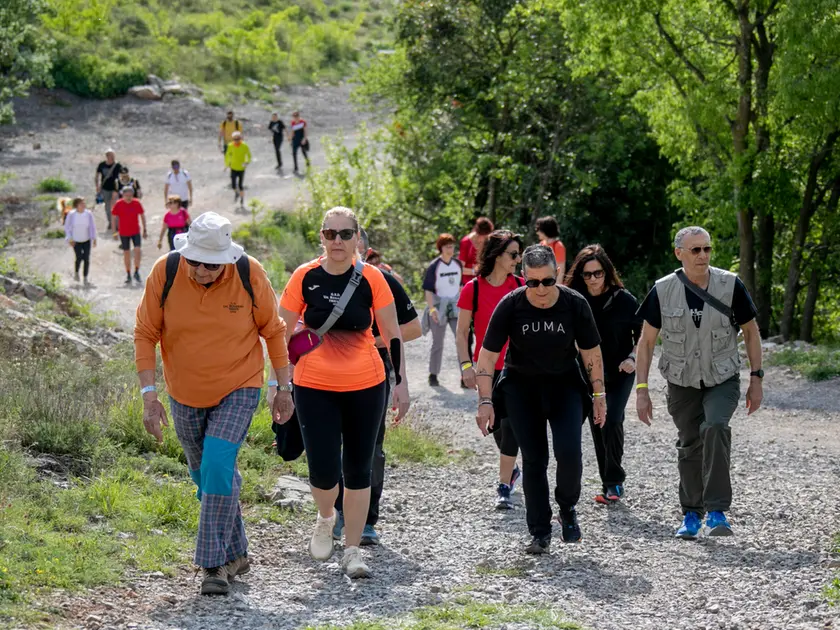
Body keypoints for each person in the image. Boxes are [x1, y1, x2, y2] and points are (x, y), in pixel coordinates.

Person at [135, 211, 294, 596]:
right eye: (195, 261)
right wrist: (149, 395)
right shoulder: (166, 271)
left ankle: (213, 564)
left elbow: (273, 331)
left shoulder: (248, 273)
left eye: (210, 264)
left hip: (238, 386)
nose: (201, 270)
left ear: (225, 259)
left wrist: (283, 386)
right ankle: (238, 552)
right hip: (184, 392)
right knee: (206, 475)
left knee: (218, 464)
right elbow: (145, 332)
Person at [276, 206, 410, 579]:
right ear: (321, 236)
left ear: (357, 238)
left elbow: (392, 333)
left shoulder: (373, 279)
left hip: (366, 386)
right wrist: (278, 384)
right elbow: (280, 332)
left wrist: (400, 383)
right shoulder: (305, 276)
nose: (338, 241)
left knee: (358, 470)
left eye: (345, 234)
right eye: (330, 234)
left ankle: (352, 551)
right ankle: (324, 516)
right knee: (322, 472)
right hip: (313, 385)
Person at [476, 245, 605, 555]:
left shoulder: (574, 304)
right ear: (524, 279)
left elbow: (591, 352)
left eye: (547, 281)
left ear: (556, 275)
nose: (541, 289)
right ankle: (539, 532)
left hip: (565, 387)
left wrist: (599, 393)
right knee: (535, 460)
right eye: (533, 283)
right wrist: (485, 401)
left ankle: (567, 507)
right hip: (522, 388)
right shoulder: (511, 305)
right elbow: (487, 355)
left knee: (570, 453)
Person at [635, 226, 763, 539]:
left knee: (716, 427)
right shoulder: (662, 290)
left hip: (722, 377)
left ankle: (717, 511)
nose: (702, 255)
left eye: (706, 249)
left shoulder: (730, 285)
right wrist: (642, 391)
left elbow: (751, 332)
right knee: (690, 443)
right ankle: (691, 515)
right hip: (681, 381)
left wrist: (756, 378)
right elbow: (647, 342)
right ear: (679, 253)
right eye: (695, 250)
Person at [330, 227, 421, 546]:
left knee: (370, 446)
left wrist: (400, 380)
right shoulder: (318, 277)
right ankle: (335, 512)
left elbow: (411, 329)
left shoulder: (384, 281)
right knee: (331, 443)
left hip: (374, 371)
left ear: (365, 252)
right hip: (326, 372)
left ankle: (365, 519)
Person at [565, 245, 641, 504]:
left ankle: (614, 481)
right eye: (587, 275)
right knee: (597, 423)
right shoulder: (573, 300)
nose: (593, 279)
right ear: (580, 277)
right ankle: (608, 481)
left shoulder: (625, 301)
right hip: (585, 373)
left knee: (612, 419)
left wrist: (633, 357)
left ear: (607, 273)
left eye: (598, 273)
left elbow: (645, 336)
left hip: (620, 372)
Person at [456, 230, 524, 510]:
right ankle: (512, 471)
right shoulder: (472, 289)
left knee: (511, 428)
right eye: (513, 254)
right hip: (485, 370)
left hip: (517, 369)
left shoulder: (521, 285)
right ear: (497, 256)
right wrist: (465, 366)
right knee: (495, 425)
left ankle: (503, 486)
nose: (518, 260)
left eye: (519, 254)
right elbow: (461, 333)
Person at [423, 233, 463, 387]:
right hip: (439, 306)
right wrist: (432, 309)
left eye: (452, 246)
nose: (450, 249)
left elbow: (460, 286)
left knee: (461, 341)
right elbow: (428, 290)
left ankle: (464, 376)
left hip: (455, 306)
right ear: (441, 248)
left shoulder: (457, 264)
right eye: (447, 246)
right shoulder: (434, 266)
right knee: (438, 343)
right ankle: (433, 375)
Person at [111, 186, 147, 284]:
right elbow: (113, 218)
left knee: (137, 250)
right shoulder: (119, 204)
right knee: (126, 253)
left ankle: (136, 271)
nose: (128, 197)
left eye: (130, 195)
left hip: (135, 231)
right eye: (126, 195)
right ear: (123, 195)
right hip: (124, 232)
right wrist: (114, 231)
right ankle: (128, 273)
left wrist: (145, 230)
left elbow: (142, 216)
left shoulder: (136, 203)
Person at [63, 197, 97, 286]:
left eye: (84, 203)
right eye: (81, 204)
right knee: (79, 257)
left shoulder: (88, 214)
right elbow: (67, 227)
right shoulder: (71, 214)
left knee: (86, 258)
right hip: (76, 240)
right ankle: (76, 272)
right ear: (76, 205)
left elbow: (92, 226)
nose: (83, 205)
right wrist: (69, 239)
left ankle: (85, 277)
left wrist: (94, 238)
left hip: (86, 239)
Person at [459, 217, 494, 286]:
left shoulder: (487, 241)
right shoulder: (465, 242)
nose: (486, 239)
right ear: (478, 233)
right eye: (484, 236)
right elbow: (460, 269)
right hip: (467, 283)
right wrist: (473, 271)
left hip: (483, 282)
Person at [95, 149, 121, 231]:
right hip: (105, 188)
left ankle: (117, 224)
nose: (113, 157)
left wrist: (117, 189)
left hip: (115, 189)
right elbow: (97, 176)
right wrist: (97, 186)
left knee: (115, 206)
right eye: (111, 156)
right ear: (107, 156)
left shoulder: (117, 165)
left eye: (113, 156)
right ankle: (110, 222)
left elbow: (121, 177)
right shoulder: (102, 165)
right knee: (107, 207)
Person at [225, 131, 251, 208]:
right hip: (233, 167)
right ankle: (237, 193)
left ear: (240, 138)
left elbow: (249, 155)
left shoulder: (244, 146)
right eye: (235, 139)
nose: (236, 140)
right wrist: (227, 164)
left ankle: (242, 198)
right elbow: (227, 155)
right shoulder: (230, 146)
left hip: (241, 168)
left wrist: (247, 162)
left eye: (238, 139)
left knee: (240, 185)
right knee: (233, 185)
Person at [535, 216, 566, 282]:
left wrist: (557, 288)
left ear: (545, 230)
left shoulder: (558, 246)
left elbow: (560, 272)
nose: (537, 232)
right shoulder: (541, 244)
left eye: (538, 229)